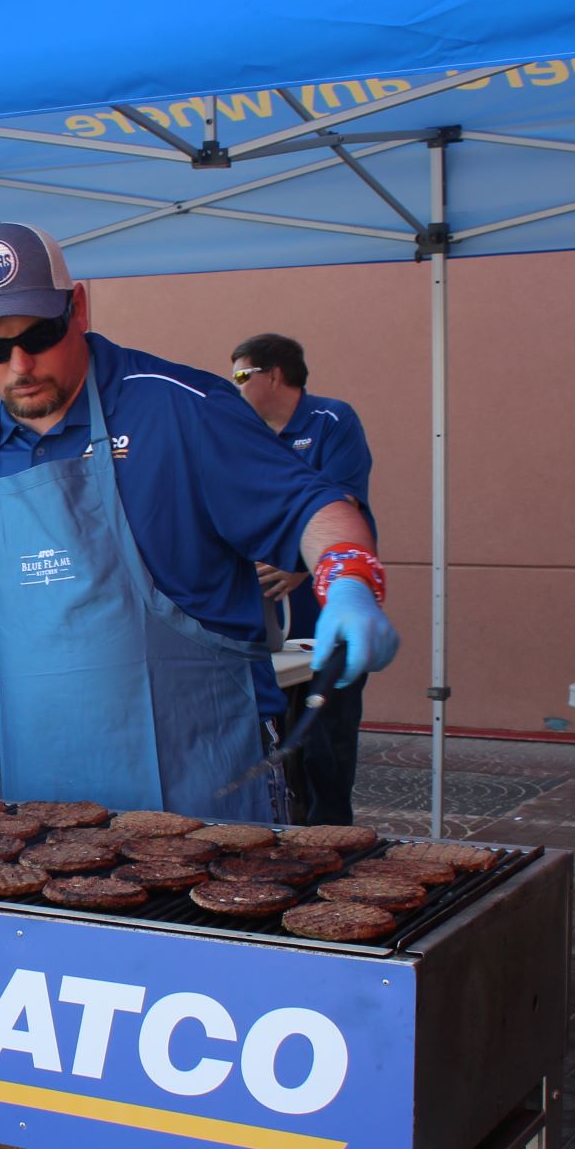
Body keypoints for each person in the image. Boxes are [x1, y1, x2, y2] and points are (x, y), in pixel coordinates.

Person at [0, 223, 400, 1149]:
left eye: (37, 334)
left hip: (211, 808)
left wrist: (352, 579)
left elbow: (312, 506)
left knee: (252, 1074)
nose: (20, 366)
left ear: (77, 308)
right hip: (48, 825)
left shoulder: (178, 410)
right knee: (79, 1066)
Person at [233, 332, 377, 825]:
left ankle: (337, 855)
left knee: (327, 749)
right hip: (264, 628)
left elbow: (340, 507)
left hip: (326, 622)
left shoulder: (332, 420)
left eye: (240, 376)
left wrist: (299, 569)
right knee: (276, 753)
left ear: (273, 376)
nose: (234, 389)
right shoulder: (240, 433)